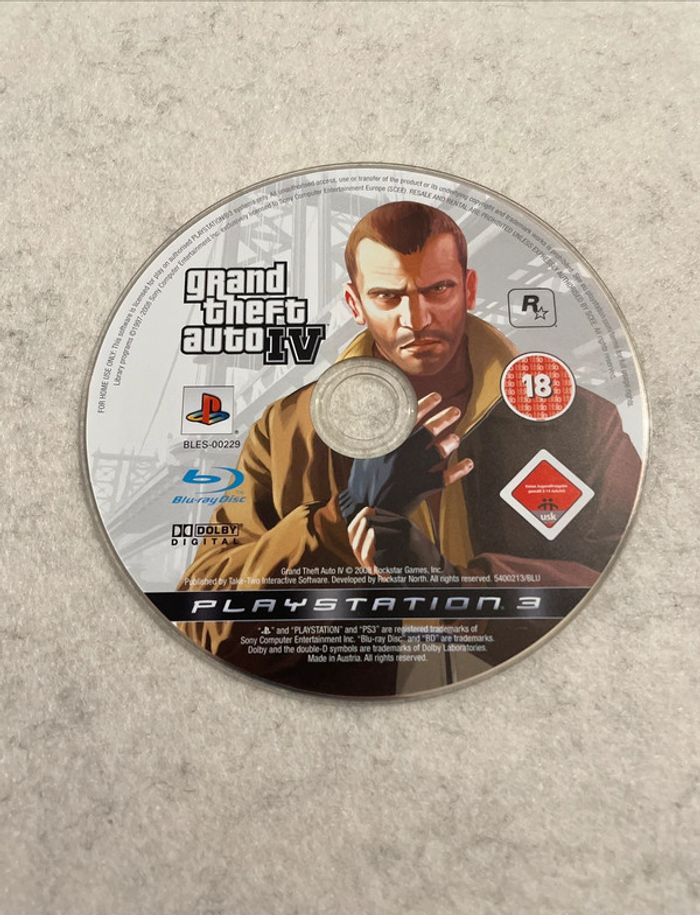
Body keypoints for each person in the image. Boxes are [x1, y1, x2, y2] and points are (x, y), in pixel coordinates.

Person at [176, 201, 642, 696]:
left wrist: (455, 588)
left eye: (437, 289)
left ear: (470, 289)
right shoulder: (287, 430)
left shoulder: (579, 418)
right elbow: (204, 623)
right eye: (387, 296)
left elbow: (636, 591)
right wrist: (339, 523)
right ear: (355, 304)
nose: (415, 318)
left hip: (533, 708)